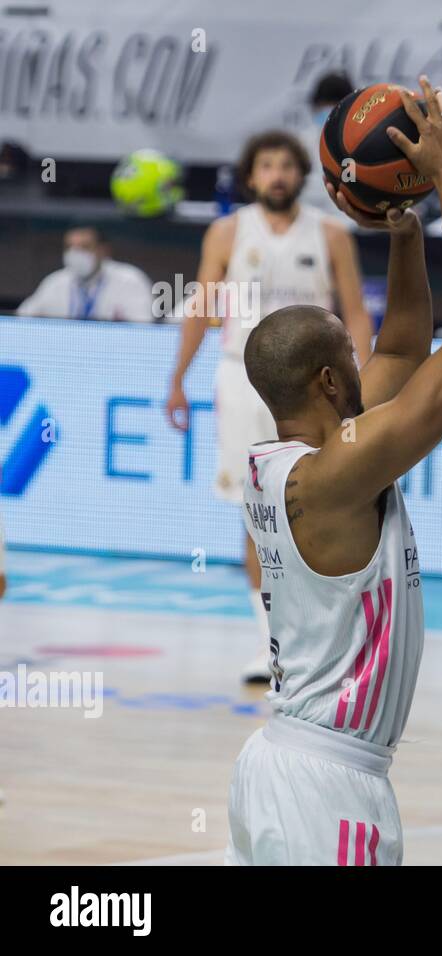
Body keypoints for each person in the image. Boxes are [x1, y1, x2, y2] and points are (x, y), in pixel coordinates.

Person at [226, 80, 442, 865]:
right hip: (326, 788)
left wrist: (406, 232)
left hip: (282, 768)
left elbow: (401, 351)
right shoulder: (333, 477)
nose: (367, 358)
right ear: (325, 382)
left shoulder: (291, 459)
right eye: (348, 358)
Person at [165, 130, 373, 683]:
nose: (276, 174)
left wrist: (363, 385)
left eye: (286, 165)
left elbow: (355, 313)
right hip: (242, 380)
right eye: (266, 165)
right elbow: (201, 307)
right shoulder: (227, 232)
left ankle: (331, 638)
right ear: (251, 176)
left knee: (320, 508)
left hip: (315, 389)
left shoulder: (331, 234)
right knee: (256, 517)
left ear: (300, 174)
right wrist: (178, 379)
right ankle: (272, 645)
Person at [17, 225, 154, 322]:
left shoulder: (130, 280)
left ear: (103, 250)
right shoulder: (55, 282)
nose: (75, 253)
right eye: (70, 247)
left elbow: (144, 328)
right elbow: (21, 319)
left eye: (84, 247)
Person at [299, 71, 355, 216]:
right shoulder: (301, 143)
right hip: (312, 225)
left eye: (335, 106)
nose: (328, 113)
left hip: (354, 227)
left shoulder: (363, 143)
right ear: (314, 107)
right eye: (324, 106)